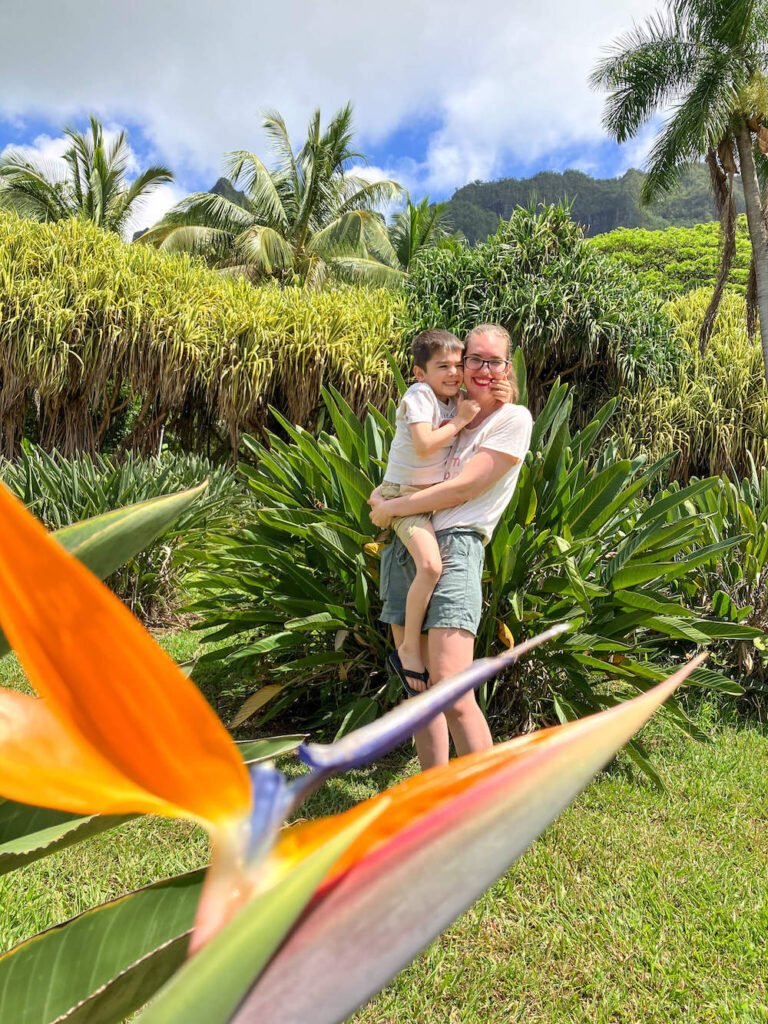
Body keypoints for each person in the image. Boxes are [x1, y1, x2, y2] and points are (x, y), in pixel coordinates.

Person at [368, 323, 533, 771]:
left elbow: (461, 489)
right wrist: (389, 500)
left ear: (506, 366)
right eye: (471, 360)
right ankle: (434, 796)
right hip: (413, 539)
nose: (478, 369)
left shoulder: (512, 420)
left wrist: (390, 509)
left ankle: (485, 804)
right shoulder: (451, 414)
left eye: (491, 361)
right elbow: (412, 460)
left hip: (456, 546)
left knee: (451, 687)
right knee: (419, 690)